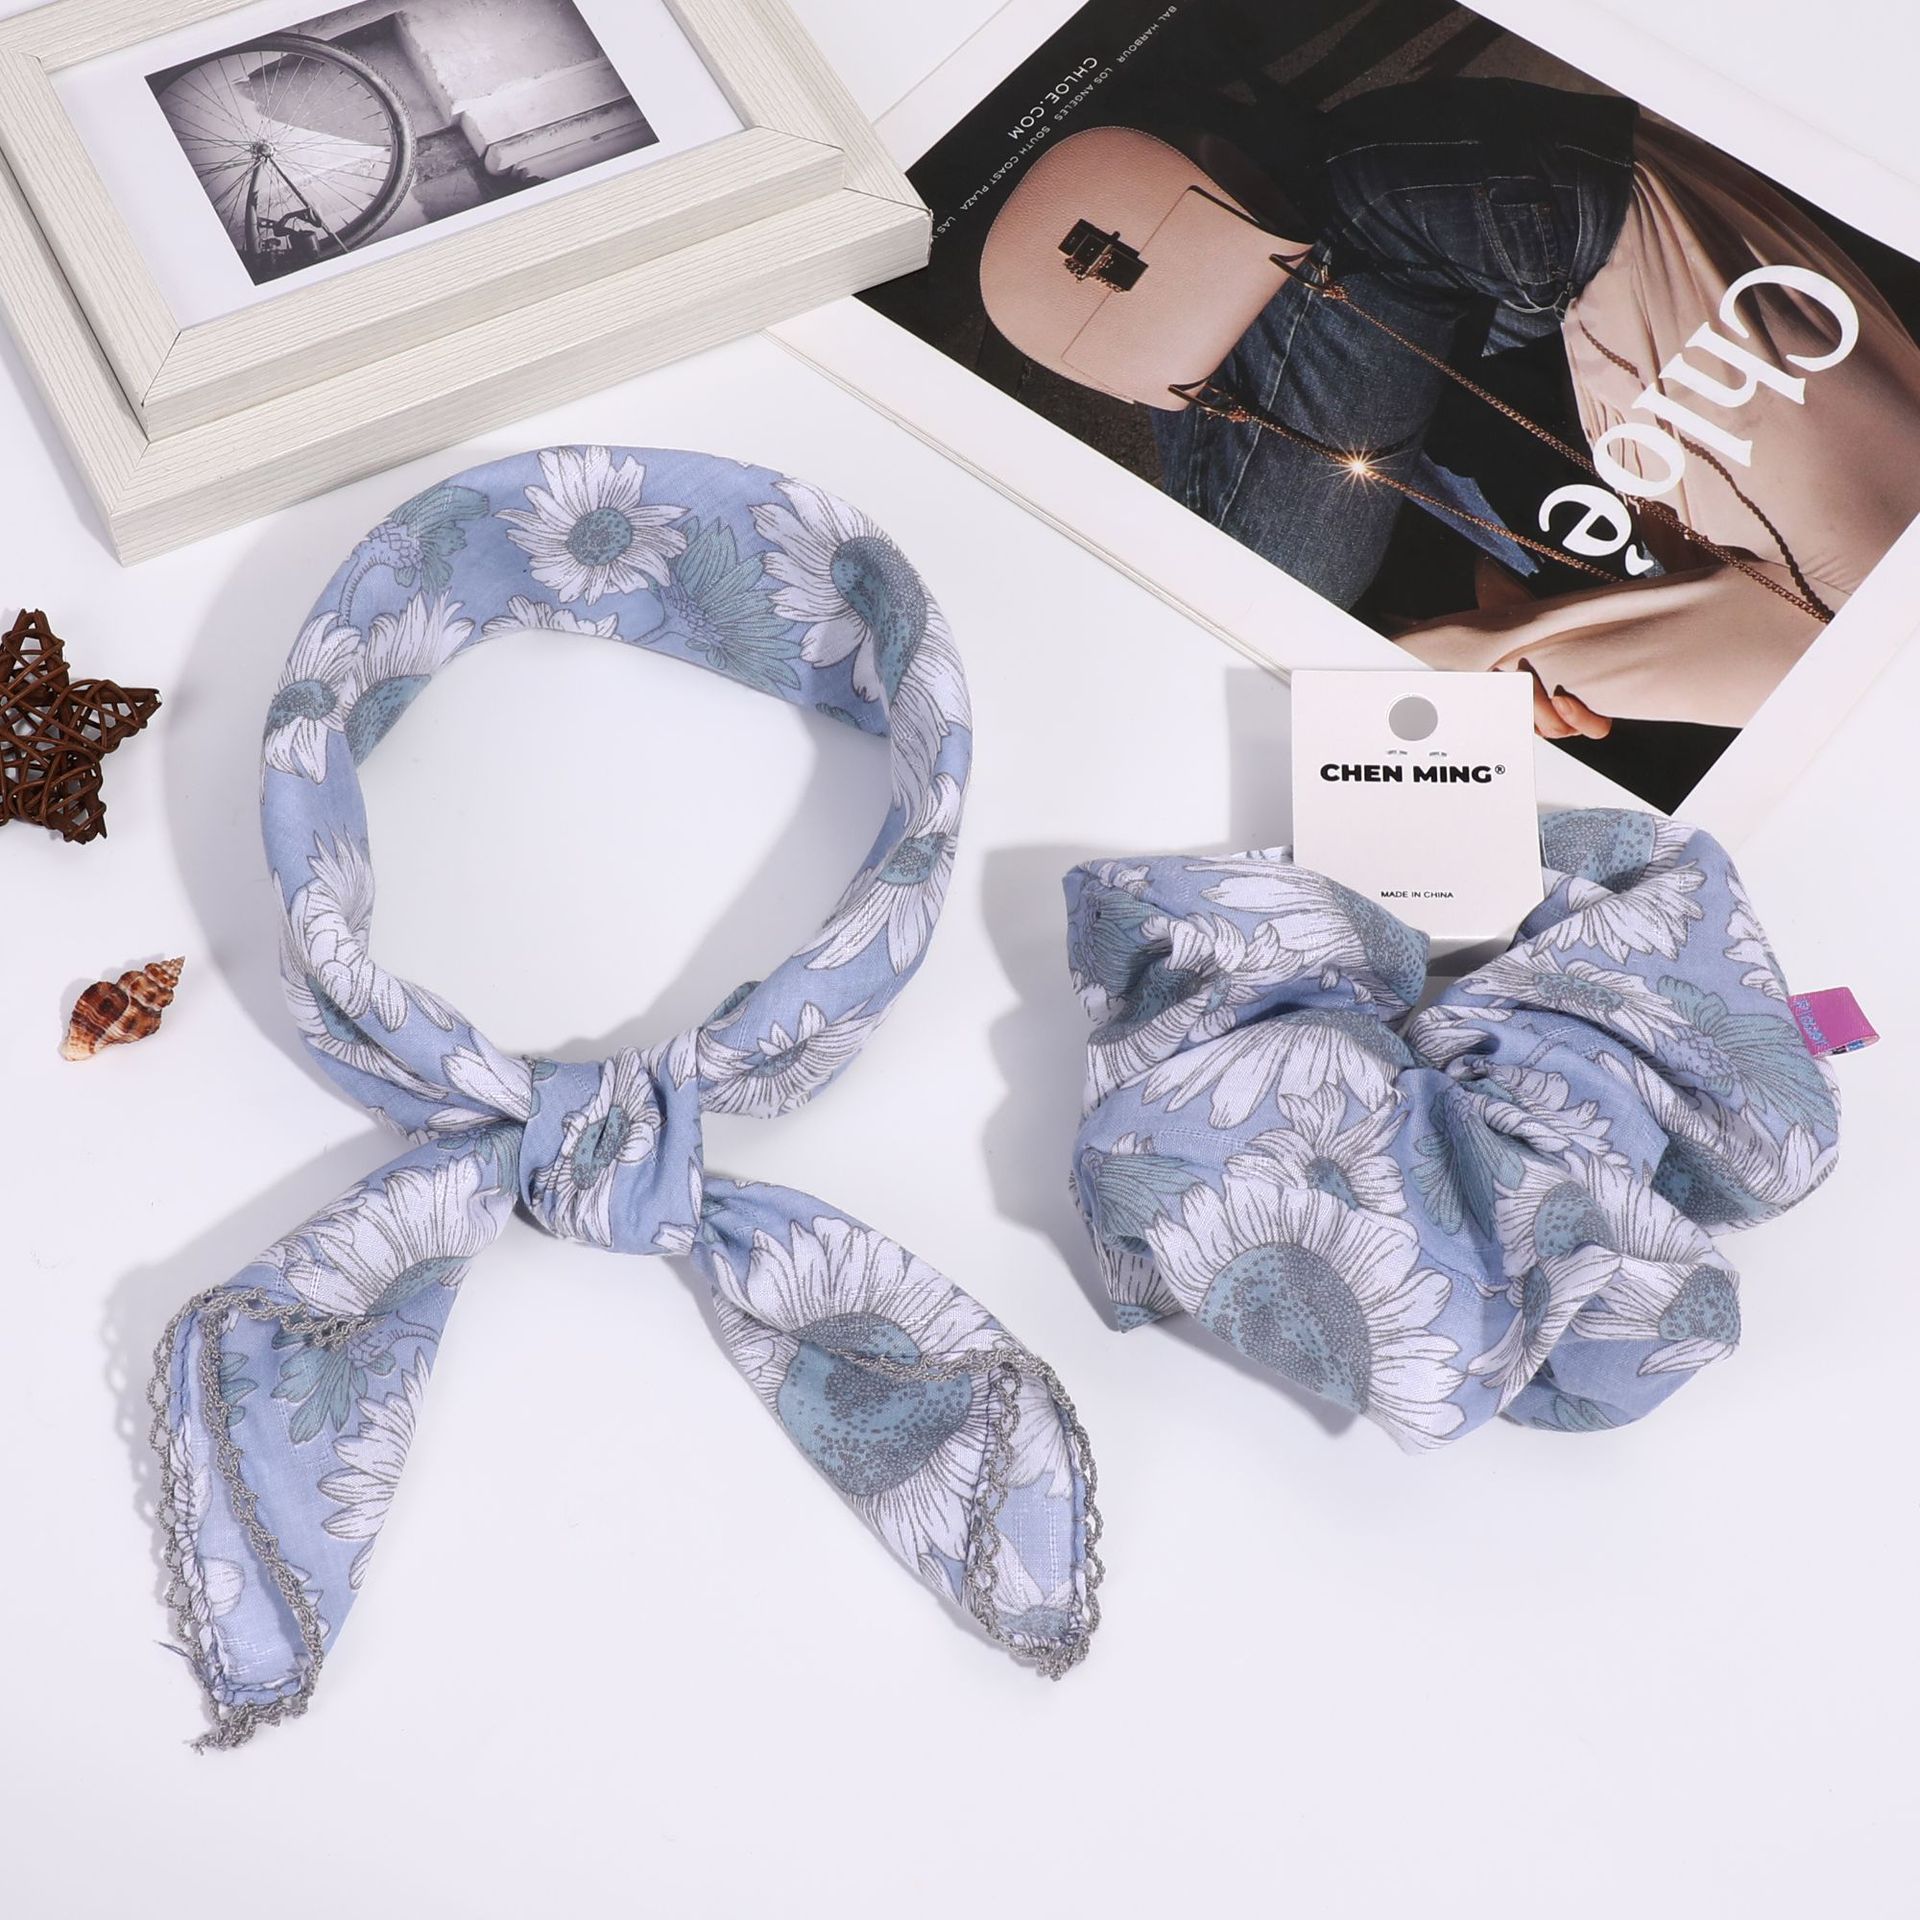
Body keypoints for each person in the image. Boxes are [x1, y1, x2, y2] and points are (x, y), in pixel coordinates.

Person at [1152, 79, 1920, 737]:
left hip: (1537, 190)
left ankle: (1184, 213)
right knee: (1268, 613)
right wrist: (1507, 675)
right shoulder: (1849, 679)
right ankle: (1157, 213)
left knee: (1308, 539)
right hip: (1458, 225)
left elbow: (1510, 593)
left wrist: (1505, 614)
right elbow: (1403, 683)